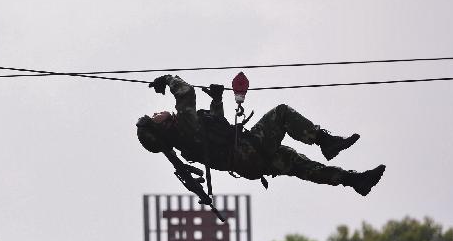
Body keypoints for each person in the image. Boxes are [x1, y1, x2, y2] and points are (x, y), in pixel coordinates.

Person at [136, 74, 385, 196]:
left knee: (304, 167)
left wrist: (217, 100)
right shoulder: (183, 128)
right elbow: (186, 93)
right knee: (282, 113)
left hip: (250, 163)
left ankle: (355, 181)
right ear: (163, 128)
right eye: (154, 116)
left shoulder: (186, 137)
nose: (157, 112)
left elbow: (219, 130)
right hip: (248, 150)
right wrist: (168, 79)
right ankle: (325, 141)